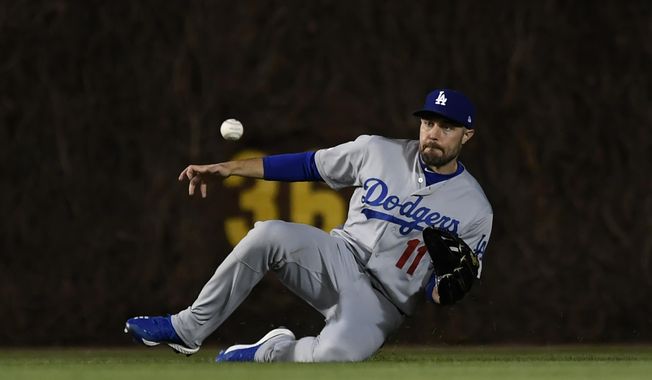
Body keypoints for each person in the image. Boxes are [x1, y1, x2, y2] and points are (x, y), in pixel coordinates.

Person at [124, 88, 493, 362]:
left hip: (384, 302)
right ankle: (187, 329)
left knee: (332, 358)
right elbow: (307, 165)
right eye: (429, 122)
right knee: (268, 234)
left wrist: (446, 291)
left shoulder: (475, 209)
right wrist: (231, 168)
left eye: (447, 127)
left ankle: (271, 352)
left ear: (467, 135)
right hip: (338, 258)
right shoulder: (378, 151)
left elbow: (442, 286)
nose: (433, 132)